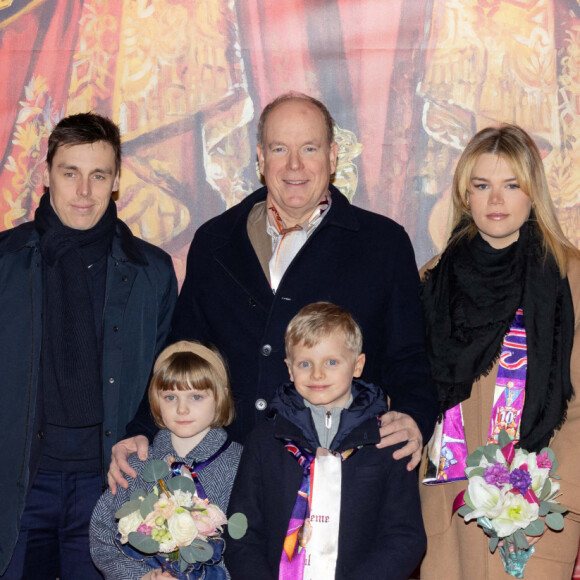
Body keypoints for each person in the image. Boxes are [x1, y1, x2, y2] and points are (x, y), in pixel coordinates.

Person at [109, 92, 437, 493]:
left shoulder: (383, 244)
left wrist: (413, 416)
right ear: (261, 160)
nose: (294, 165)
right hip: (225, 479)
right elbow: (183, 354)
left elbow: (408, 358)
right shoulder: (215, 242)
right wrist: (143, 428)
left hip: (342, 480)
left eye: (309, 148)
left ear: (333, 157)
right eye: (280, 149)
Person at [0, 112, 177, 578]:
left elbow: (164, 382)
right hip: (17, 483)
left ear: (116, 180)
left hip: (110, 484)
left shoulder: (151, 273)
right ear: (46, 174)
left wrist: (138, 433)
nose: (83, 191)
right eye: (70, 173)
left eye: (98, 175)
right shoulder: (4, 264)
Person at [419, 124, 580, 578]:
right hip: (447, 510)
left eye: (511, 186)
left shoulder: (570, 278)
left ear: (533, 193)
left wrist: (540, 493)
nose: (495, 200)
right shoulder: (431, 280)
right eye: (482, 185)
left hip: (535, 515)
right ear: (463, 194)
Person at [224, 302, 426, 579]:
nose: (317, 374)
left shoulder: (386, 441)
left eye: (331, 362)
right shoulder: (263, 442)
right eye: (305, 363)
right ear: (290, 369)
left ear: (357, 365)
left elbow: (405, 537)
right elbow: (242, 533)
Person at [90, 341, 242, 579]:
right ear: (155, 402)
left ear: (220, 398)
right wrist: (141, 576)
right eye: (170, 397)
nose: (182, 409)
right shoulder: (137, 464)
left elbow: (249, 546)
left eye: (196, 396)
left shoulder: (240, 464)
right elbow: (102, 533)